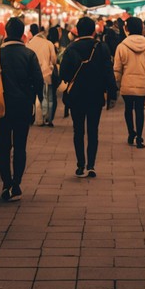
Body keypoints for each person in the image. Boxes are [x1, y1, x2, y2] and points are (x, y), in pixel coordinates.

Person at [0, 16, 44, 202]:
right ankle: (16, 185)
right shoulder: (29, 55)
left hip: (1, 107)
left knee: (3, 146)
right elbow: (38, 81)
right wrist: (36, 100)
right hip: (23, 107)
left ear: (5, 33)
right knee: (20, 146)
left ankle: (5, 184)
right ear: (22, 34)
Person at [59, 16, 117, 178]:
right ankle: (91, 165)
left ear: (77, 30)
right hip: (96, 95)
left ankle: (80, 165)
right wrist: (112, 92)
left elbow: (63, 73)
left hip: (76, 95)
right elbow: (108, 71)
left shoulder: (71, 48)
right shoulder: (101, 47)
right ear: (93, 31)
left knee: (78, 130)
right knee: (93, 130)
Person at [113, 16, 145, 148]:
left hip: (127, 84)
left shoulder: (122, 46)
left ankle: (131, 133)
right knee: (140, 110)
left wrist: (116, 84)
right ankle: (140, 137)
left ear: (127, 28)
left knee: (128, 109)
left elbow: (117, 68)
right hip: (143, 84)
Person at [27, 23, 57, 126]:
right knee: (48, 97)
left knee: (34, 96)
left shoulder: (29, 44)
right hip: (47, 74)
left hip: (32, 75)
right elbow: (54, 60)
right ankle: (47, 119)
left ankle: (36, 118)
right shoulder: (48, 43)